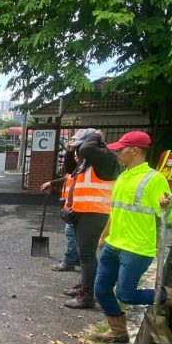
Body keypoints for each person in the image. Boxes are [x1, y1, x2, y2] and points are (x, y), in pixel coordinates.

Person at [92, 131, 172, 344]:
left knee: (126, 294)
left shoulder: (154, 179)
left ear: (135, 150)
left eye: (121, 149)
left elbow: (171, 216)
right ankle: (118, 331)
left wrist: (167, 205)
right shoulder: (122, 177)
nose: (117, 153)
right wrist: (104, 236)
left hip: (137, 248)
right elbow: (116, 211)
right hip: (114, 245)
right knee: (101, 289)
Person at [43, 128, 116, 310]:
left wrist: (95, 135)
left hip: (94, 213)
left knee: (86, 256)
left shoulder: (104, 159)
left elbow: (87, 149)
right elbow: (68, 170)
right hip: (82, 213)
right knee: (85, 255)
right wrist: (69, 149)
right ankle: (84, 288)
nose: (77, 152)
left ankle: (88, 296)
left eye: (79, 146)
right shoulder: (86, 163)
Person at [49, 143, 79, 272]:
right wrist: (51, 183)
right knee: (75, 235)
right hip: (76, 206)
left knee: (71, 234)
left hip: (77, 207)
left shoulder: (85, 168)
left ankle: (69, 261)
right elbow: (67, 177)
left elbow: (68, 169)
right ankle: (75, 258)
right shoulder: (82, 167)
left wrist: (70, 151)